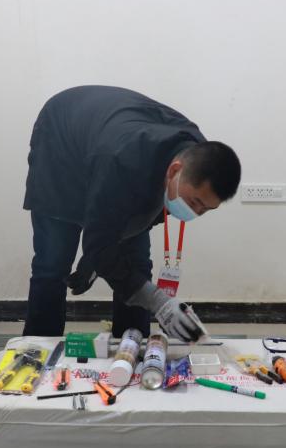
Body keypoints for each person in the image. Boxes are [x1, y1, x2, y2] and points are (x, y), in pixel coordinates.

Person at [21, 86, 241, 340]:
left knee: (136, 263)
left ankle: (133, 347)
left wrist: (99, 256)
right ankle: (37, 348)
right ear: (174, 171)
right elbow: (101, 236)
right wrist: (158, 301)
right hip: (61, 144)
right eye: (194, 202)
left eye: (206, 209)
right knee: (53, 263)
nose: (195, 212)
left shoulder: (198, 156)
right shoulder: (122, 160)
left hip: (109, 145)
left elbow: (137, 219)